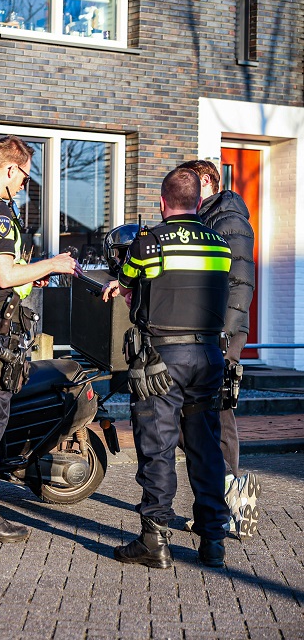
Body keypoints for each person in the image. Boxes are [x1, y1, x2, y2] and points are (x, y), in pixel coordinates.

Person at [0, 135, 82, 543]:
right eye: (24, 177)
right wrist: (53, 264)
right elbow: (5, 276)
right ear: (9, 169)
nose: (25, 185)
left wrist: (28, 278)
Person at [101, 167, 231, 568]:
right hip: (209, 356)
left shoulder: (150, 242)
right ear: (198, 201)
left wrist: (127, 288)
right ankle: (213, 541)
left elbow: (128, 284)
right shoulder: (220, 244)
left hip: (161, 360)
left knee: (157, 448)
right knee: (206, 447)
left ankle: (154, 541)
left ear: (162, 202)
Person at [178, 159, 260, 539]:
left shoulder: (228, 220)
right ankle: (223, 497)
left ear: (209, 182)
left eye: (194, 184)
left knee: (211, 417)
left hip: (219, 336)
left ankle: (228, 494)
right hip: (205, 333)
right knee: (208, 418)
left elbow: (239, 284)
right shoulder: (207, 219)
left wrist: (225, 339)